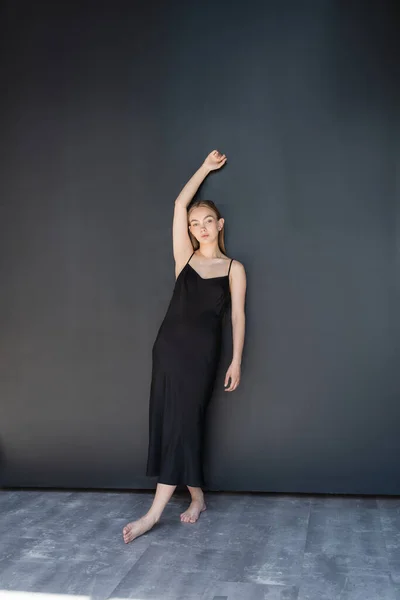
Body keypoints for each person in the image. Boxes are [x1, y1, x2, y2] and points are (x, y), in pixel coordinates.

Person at [123, 150, 247, 544]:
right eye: (195, 224)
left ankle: (153, 515)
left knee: (184, 422)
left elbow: (238, 318)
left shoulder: (233, 268)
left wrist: (236, 360)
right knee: (174, 423)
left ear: (220, 224)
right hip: (168, 350)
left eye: (207, 220)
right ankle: (196, 497)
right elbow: (179, 203)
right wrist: (205, 168)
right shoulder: (185, 259)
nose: (201, 227)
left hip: (201, 357)